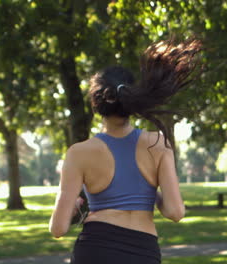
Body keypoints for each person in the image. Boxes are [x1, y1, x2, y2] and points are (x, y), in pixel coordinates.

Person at [49, 38, 202, 264]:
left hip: (94, 250)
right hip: (143, 252)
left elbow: (58, 228)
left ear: (95, 103)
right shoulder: (158, 144)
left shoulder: (79, 153)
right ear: (132, 98)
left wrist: (71, 207)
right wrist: (150, 191)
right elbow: (175, 212)